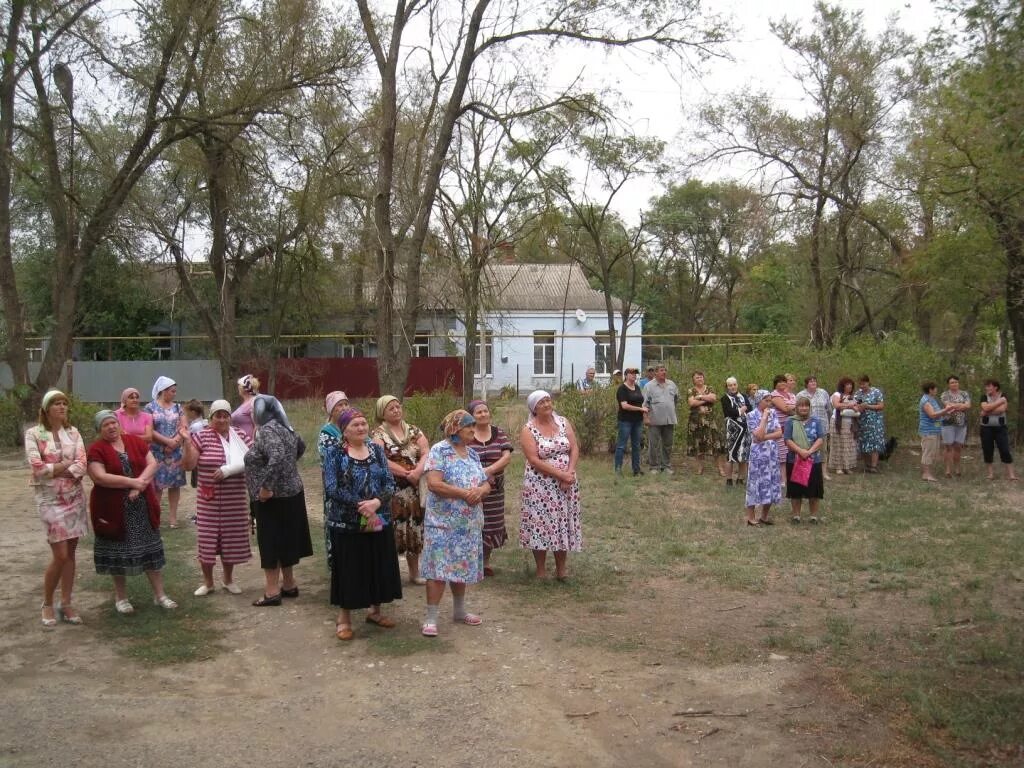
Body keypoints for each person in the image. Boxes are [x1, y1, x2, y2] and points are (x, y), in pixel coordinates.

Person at [323, 408, 402, 641]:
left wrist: (376, 502)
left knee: (377, 564)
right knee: (349, 568)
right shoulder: (334, 453)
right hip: (346, 522)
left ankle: (375, 612)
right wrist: (361, 505)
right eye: (355, 425)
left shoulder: (377, 450)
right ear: (344, 430)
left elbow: (389, 482)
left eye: (363, 424)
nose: (361, 428)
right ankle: (344, 618)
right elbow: (332, 488)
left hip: (379, 517)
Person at [87, 410, 177, 613]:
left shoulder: (134, 441)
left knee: (150, 550)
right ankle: (121, 598)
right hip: (112, 509)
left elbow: (152, 463)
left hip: (141, 506)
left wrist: (139, 486)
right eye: (105, 425)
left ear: (119, 424)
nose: (111, 427)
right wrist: (132, 482)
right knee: (117, 552)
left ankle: (160, 595)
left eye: (113, 422)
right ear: (99, 430)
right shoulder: (96, 449)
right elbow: (100, 477)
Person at [421, 410, 493, 637]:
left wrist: (480, 491)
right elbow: (434, 484)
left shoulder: (472, 453)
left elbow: (486, 483)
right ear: (454, 429)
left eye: (473, 426)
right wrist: (463, 493)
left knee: (460, 566)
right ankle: (431, 618)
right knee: (438, 569)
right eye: (468, 426)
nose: (473, 429)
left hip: (468, 524)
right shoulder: (439, 450)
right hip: (442, 523)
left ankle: (460, 611)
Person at [26, 390, 88, 627]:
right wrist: (63, 465)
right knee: (59, 555)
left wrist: (60, 469)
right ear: (46, 409)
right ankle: (47, 603)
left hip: (74, 498)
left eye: (64, 403)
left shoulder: (73, 433)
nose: (61, 407)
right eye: (56, 404)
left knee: (71, 553)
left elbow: (82, 462)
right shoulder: (33, 434)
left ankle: (66, 602)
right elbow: (37, 467)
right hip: (49, 500)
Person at [245, 396, 313, 607]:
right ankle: (289, 585)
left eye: (252, 410)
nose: (250, 414)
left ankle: (272, 591)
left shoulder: (266, 431)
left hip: (271, 499)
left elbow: (277, 454)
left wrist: (267, 487)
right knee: (286, 540)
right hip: (292, 494)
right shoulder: (286, 427)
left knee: (271, 542)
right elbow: (300, 447)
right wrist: (288, 472)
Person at [182, 399, 251, 596]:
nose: (221, 419)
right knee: (207, 539)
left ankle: (228, 580)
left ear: (230, 417)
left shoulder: (240, 435)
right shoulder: (201, 437)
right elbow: (188, 465)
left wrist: (229, 470)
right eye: (217, 416)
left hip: (234, 499)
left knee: (231, 539)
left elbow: (252, 458)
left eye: (225, 415)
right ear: (210, 418)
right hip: (208, 500)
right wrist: (187, 442)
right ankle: (208, 582)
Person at [519, 391, 582, 580]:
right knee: (541, 524)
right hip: (539, 485)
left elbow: (574, 448)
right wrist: (560, 474)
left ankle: (561, 569)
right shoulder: (528, 429)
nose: (547, 404)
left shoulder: (563, 422)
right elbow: (533, 459)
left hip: (566, 483)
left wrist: (569, 473)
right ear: (534, 408)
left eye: (548, 400)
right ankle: (540, 570)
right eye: (541, 402)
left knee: (562, 523)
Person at [372, 395, 430, 585]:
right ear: (382, 413)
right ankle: (389, 574)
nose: (396, 410)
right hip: (392, 491)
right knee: (392, 529)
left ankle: (414, 573)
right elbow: (381, 460)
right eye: (391, 408)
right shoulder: (378, 434)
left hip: (414, 490)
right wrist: (407, 474)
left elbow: (426, 452)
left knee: (414, 528)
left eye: (398, 406)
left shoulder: (414, 430)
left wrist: (418, 471)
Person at [467, 400, 513, 576]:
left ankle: (485, 562)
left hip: (496, 488)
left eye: (485, 411)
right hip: (473, 486)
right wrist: (479, 475)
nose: (483, 414)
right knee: (474, 522)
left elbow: (506, 457)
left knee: (492, 522)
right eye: (478, 412)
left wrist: (489, 470)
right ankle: (472, 561)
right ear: (472, 416)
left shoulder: (498, 433)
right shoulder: (468, 434)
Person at [145, 376, 187, 527]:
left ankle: (173, 518)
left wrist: (175, 442)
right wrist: (166, 441)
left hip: (175, 452)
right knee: (157, 486)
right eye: (172, 391)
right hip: (157, 452)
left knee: (174, 486)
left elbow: (184, 427)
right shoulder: (150, 408)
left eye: (175, 391)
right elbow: (149, 429)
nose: (174, 394)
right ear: (163, 391)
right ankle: (155, 518)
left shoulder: (178, 408)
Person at [784, 396, 826, 523]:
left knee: (814, 489)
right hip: (794, 459)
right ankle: (796, 515)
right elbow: (787, 439)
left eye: (806, 405)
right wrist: (800, 451)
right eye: (801, 406)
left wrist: (809, 452)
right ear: (796, 407)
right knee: (796, 489)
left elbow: (820, 438)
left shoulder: (816, 421)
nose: (803, 408)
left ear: (809, 407)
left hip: (813, 460)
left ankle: (813, 516)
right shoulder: (790, 421)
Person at [745, 391, 782, 526]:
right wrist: (764, 418)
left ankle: (764, 516)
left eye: (770, 400)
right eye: (766, 400)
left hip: (771, 452)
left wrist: (765, 437)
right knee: (755, 482)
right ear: (759, 401)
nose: (769, 403)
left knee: (771, 481)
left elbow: (779, 433)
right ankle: (750, 517)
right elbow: (757, 434)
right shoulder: (751, 415)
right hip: (758, 454)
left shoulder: (774, 413)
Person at [686, 370, 726, 476]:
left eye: (701, 377)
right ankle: (700, 467)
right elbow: (692, 403)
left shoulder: (710, 388)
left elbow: (714, 398)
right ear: (693, 380)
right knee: (697, 444)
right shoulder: (691, 390)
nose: (699, 379)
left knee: (715, 443)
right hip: (695, 421)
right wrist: (706, 399)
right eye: (697, 377)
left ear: (704, 378)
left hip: (710, 421)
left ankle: (720, 468)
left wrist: (699, 397)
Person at [979, 379, 1018, 481]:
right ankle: (990, 474)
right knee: (987, 449)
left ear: (995, 387)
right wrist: (999, 403)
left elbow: (1002, 410)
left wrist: (987, 411)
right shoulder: (984, 397)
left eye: (989, 386)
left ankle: (1011, 475)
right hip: (986, 428)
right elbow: (985, 407)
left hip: (1000, 428)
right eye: (986, 386)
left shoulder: (1003, 395)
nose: (987, 388)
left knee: (1005, 449)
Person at [643, 364, 679, 474]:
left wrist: (669, 408)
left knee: (668, 444)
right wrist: (646, 418)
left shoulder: (671, 384)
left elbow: (676, 399)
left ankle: (666, 466)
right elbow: (645, 404)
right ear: (656, 373)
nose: (664, 372)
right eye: (661, 370)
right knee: (654, 444)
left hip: (669, 419)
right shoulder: (649, 386)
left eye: (665, 370)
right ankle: (654, 467)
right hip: (655, 420)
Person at [797, 376, 832, 479]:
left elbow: (829, 409)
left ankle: (824, 472)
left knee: (823, 450)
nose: (813, 383)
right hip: (806, 426)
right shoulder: (801, 395)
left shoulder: (823, 393)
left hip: (822, 425)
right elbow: (797, 410)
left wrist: (828, 422)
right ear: (806, 384)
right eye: (810, 381)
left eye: (815, 381)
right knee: (806, 448)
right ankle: (807, 471)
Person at [614, 367, 647, 477]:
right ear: (626, 375)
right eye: (632, 373)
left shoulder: (637, 387)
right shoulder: (622, 389)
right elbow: (624, 406)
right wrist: (640, 409)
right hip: (625, 421)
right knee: (621, 446)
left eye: (635, 374)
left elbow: (640, 402)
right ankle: (618, 470)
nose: (634, 375)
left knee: (636, 445)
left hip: (638, 421)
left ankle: (636, 470)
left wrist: (644, 410)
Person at [721, 377, 751, 487]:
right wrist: (740, 410)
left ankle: (740, 478)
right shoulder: (724, 398)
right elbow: (728, 412)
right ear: (727, 387)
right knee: (730, 455)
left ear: (737, 385)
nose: (733, 387)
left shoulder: (743, 396)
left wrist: (742, 411)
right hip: (733, 430)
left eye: (734, 384)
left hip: (745, 429)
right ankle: (729, 479)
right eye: (730, 385)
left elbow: (750, 409)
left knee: (743, 455)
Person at [940, 375, 971, 478]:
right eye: (952, 382)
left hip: (961, 424)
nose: (954, 384)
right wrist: (960, 406)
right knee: (948, 446)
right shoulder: (945, 394)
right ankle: (948, 470)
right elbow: (947, 406)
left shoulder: (964, 393)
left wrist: (955, 406)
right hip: (948, 423)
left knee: (958, 447)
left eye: (956, 382)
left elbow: (968, 405)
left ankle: (957, 469)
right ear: (948, 384)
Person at [918, 382, 949, 483]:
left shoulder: (932, 399)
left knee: (932, 452)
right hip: (928, 431)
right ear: (930, 390)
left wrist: (946, 413)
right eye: (935, 388)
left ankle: (928, 473)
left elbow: (937, 414)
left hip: (935, 430)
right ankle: (926, 474)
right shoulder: (926, 400)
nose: (936, 390)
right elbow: (932, 415)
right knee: (928, 452)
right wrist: (945, 410)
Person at [855, 375, 886, 473]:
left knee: (875, 443)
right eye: (860, 384)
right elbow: (855, 405)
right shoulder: (858, 394)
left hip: (875, 422)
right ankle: (867, 464)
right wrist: (858, 407)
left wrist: (867, 406)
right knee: (863, 443)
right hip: (862, 422)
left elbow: (881, 406)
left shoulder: (876, 392)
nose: (862, 386)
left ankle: (874, 466)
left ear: (868, 382)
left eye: (864, 383)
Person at [829, 378, 860, 475]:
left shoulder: (852, 396)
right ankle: (838, 467)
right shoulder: (837, 394)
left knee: (848, 445)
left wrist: (856, 407)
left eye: (851, 384)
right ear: (842, 385)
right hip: (838, 422)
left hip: (850, 423)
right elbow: (837, 405)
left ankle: (847, 467)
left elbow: (857, 407)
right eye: (847, 384)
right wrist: (850, 405)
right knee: (838, 444)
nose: (849, 386)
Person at [770, 374, 797, 474]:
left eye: (784, 381)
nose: (782, 383)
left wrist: (792, 407)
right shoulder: (774, 394)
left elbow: (797, 407)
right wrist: (794, 408)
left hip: (793, 427)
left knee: (791, 453)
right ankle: (782, 479)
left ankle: (791, 476)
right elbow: (785, 409)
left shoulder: (791, 395)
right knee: (782, 455)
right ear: (775, 384)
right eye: (779, 382)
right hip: (780, 429)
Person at [317, 391, 349, 465]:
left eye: (346, 404)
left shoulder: (353, 425)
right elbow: (330, 458)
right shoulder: (326, 432)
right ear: (331, 410)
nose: (344, 408)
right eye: (340, 405)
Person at [231, 374, 260, 442]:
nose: (238, 387)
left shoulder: (253, 402)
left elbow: (257, 425)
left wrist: (253, 443)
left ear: (243, 388)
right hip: (241, 443)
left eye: (239, 385)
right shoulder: (246, 403)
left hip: (249, 444)